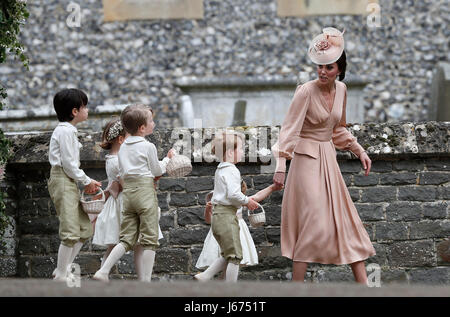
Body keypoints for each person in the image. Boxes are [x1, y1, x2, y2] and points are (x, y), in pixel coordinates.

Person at [272, 27, 375, 284]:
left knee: (346, 220)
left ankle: (365, 287)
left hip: (328, 159)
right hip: (306, 161)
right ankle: (296, 289)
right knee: (313, 221)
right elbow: (289, 130)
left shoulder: (342, 90)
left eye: (329, 67)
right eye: (320, 66)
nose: (322, 72)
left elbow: (338, 128)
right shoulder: (305, 91)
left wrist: (359, 150)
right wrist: (281, 165)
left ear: (339, 69)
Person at [93, 104, 174, 282]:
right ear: (142, 128)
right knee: (149, 239)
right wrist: (167, 159)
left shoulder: (123, 149)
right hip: (144, 194)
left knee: (126, 239)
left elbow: (123, 172)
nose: (154, 123)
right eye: (151, 120)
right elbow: (156, 170)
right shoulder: (148, 147)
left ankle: (103, 271)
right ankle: (145, 282)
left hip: (128, 196)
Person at [47, 88, 102, 282]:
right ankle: (61, 274)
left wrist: (82, 181)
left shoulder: (68, 131)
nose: (87, 110)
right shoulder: (64, 132)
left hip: (67, 180)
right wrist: (87, 180)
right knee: (70, 229)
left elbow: (70, 167)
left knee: (84, 228)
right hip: (63, 180)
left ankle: (63, 268)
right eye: (84, 106)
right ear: (74, 111)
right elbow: (69, 165)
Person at [194, 132, 258, 282]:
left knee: (227, 253)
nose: (243, 151)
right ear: (230, 152)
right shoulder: (232, 170)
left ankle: (205, 276)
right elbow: (233, 194)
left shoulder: (221, 169)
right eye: (241, 148)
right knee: (235, 256)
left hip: (219, 216)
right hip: (227, 216)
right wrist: (247, 201)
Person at [196, 181, 280, 279]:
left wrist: (272, 188)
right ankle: (213, 281)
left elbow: (257, 196)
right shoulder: (218, 201)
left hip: (237, 230)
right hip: (223, 230)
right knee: (231, 258)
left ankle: (215, 284)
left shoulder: (239, 200)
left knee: (231, 261)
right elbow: (209, 220)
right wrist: (208, 209)